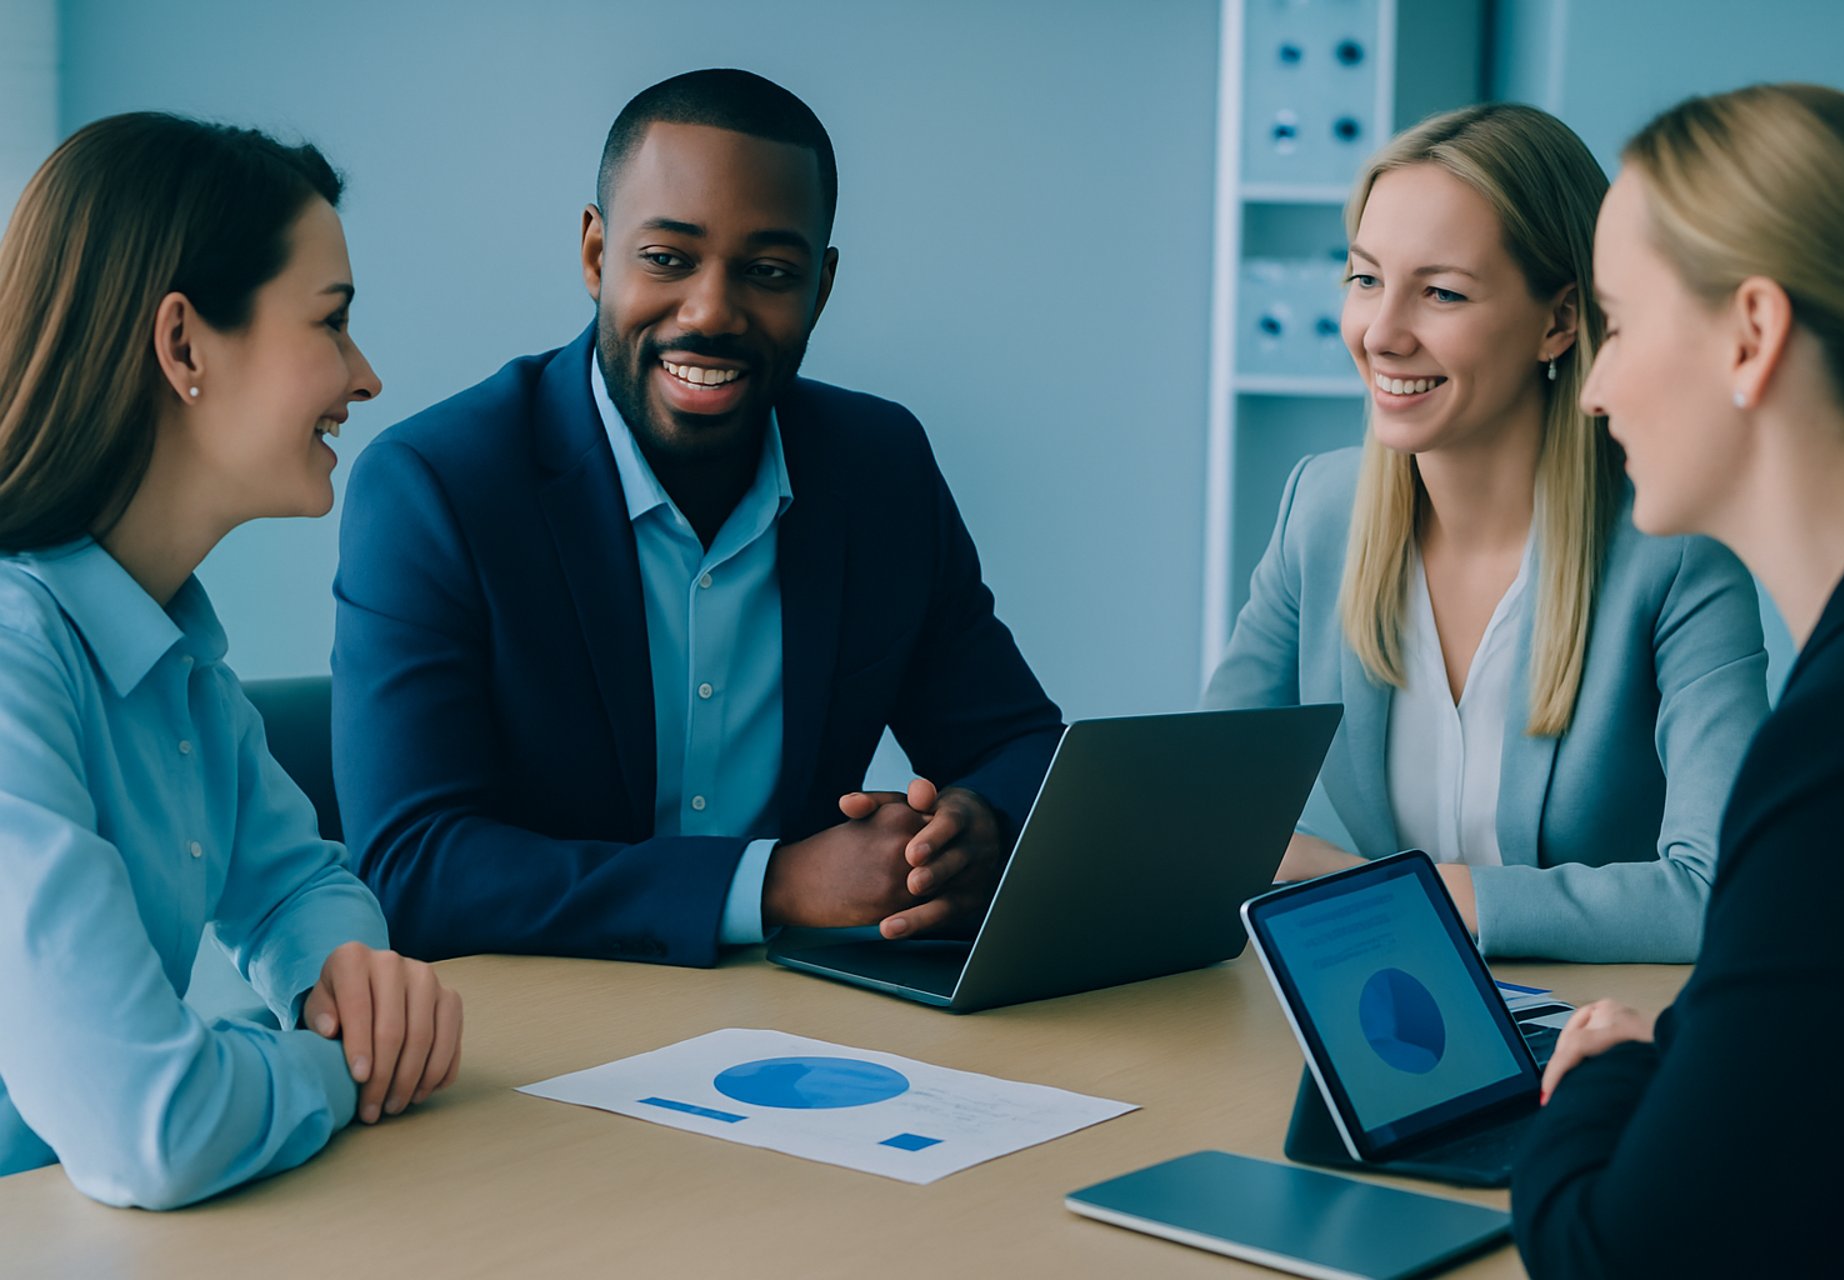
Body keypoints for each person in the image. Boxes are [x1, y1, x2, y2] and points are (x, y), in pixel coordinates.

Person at [331, 69, 1063, 966]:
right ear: (598, 255)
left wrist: (975, 825)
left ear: (821, 288)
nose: (712, 312)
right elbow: (412, 867)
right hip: (533, 1035)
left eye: (768, 272)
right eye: (668, 259)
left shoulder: (879, 467)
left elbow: (1021, 746)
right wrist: (774, 884)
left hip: (800, 1031)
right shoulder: (437, 487)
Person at [0, 114, 462, 1208]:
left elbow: (298, 879)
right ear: (184, 346)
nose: (366, 376)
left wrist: (335, 979)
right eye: (334, 323)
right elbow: (153, 1129)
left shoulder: (169, 641)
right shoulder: (15, 658)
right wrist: (339, 1067)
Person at [1203, 103, 1770, 962]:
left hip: (1601, 1042)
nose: (1382, 333)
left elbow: (1717, 890)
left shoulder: (1678, 550)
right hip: (1390, 1009)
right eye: (1363, 278)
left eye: (1441, 292)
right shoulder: (1321, 509)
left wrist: (1379, 889)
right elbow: (1199, 809)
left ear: (1560, 320)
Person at [1514, 83, 1844, 1275]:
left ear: (1751, 334)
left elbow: (1614, 1254)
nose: (1591, 388)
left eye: (1624, 325)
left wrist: (1611, 1070)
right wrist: (1694, 1049)